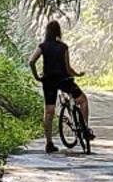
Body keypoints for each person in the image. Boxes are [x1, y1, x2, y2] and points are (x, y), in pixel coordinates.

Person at [28, 20, 93, 153]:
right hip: (64, 80)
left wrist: (37, 77)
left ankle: (49, 143)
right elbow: (68, 68)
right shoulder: (63, 47)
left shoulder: (43, 46)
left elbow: (31, 61)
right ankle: (85, 128)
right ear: (58, 32)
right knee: (83, 100)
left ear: (47, 32)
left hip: (49, 81)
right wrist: (78, 74)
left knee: (49, 112)